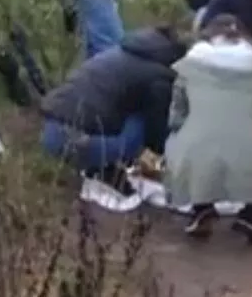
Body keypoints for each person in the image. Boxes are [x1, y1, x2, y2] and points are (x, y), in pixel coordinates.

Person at [163, 15, 252, 242]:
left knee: (180, 140)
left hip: (196, 152)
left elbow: (175, 118)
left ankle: (200, 207)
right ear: (241, 38)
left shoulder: (189, 67)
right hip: (250, 155)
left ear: (207, 38)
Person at [39, 25, 189, 200]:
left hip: (51, 130)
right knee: (142, 120)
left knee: (126, 107)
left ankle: (104, 167)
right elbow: (156, 138)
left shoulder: (121, 52)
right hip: (72, 141)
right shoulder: (160, 76)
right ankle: (101, 164)